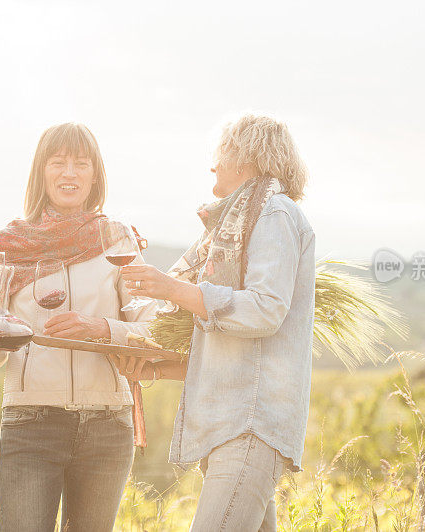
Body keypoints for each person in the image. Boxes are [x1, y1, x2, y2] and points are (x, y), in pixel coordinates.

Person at [114, 114, 315, 531]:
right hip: (234, 425)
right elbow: (235, 351)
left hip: (250, 427)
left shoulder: (273, 215)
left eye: (220, 155)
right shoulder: (238, 225)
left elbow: (264, 310)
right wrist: (157, 368)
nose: (213, 167)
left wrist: (173, 289)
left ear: (245, 159)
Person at [0, 123, 156, 532]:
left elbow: (151, 324)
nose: (69, 173)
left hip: (107, 423)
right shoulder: (10, 243)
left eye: (80, 164)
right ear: (42, 172)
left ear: (94, 175)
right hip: (30, 422)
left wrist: (101, 328)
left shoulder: (117, 239)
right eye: (59, 162)